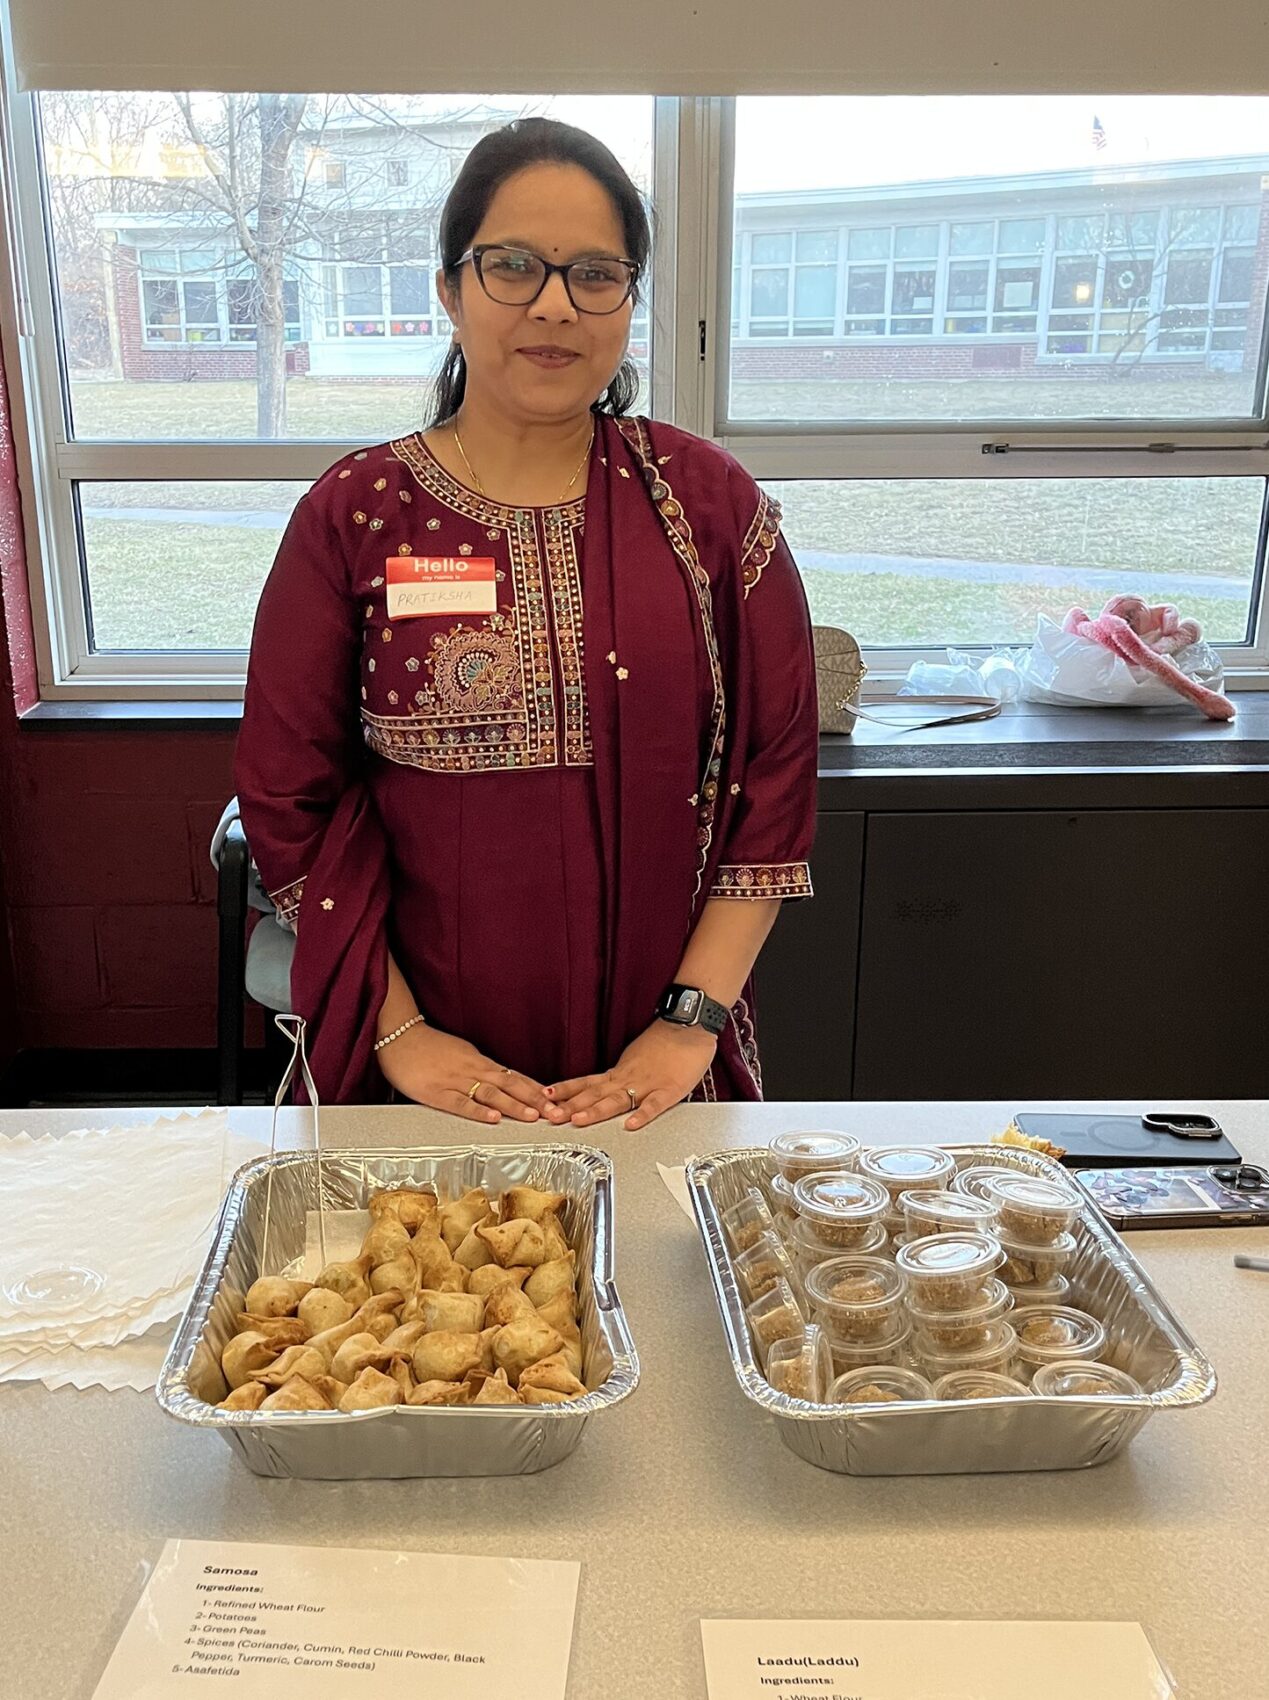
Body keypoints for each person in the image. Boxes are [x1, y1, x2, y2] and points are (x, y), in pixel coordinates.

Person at [236, 117, 818, 1132]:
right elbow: (290, 797)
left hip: (659, 1072)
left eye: (596, 273)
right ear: (451, 287)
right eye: (513, 265)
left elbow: (776, 780)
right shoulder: (356, 513)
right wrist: (399, 1033)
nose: (555, 303)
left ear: (630, 301)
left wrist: (688, 1023)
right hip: (421, 1077)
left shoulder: (710, 510)